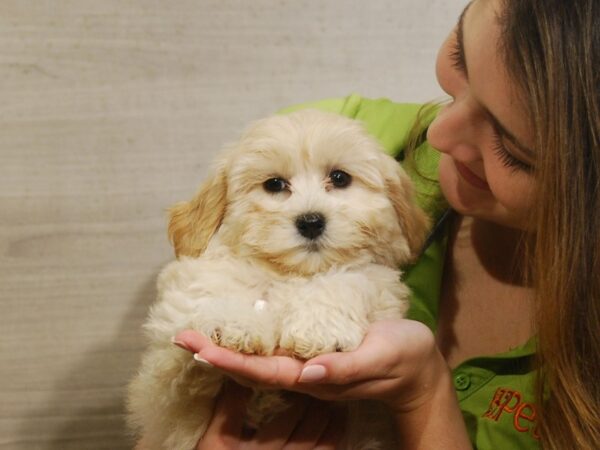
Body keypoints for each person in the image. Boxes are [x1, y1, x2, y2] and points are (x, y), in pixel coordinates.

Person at [159, 0, 599, 448]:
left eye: (509, 148)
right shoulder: (350, 126)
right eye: (460, 60)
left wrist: (423, 394)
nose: (439, 134)